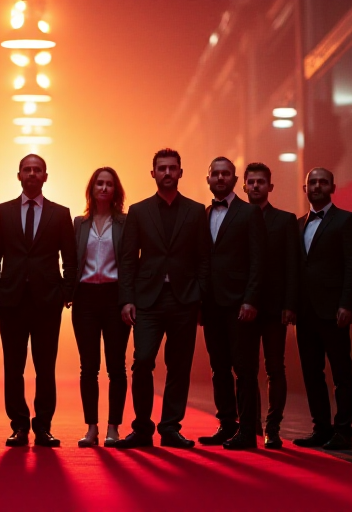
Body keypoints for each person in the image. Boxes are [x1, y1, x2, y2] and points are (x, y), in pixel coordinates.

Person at [116, 148, 210, 449]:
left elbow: (203, 258)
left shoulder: (196, 211)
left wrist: (200, 298)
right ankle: (142, 428)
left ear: (180, 172)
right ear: (153, 173)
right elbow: (128, 259)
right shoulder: (139, 211)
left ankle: (170, 428)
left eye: (172, 168)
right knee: (142, 362)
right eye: (162, 168)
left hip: (184, 299)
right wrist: (126, 299)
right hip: (147, 300)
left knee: (179, 366)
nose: (167, 173)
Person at [0, 153, 77, 447]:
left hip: (47, 303)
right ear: (19, 176)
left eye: (38, 170)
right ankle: (19, 426)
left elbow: (71, 260)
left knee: (45, 369)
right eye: (27, 169)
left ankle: (43, 427)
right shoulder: (3, 212)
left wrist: (65, 293)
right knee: (13, 368)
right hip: (11, 301)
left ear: (46, 177)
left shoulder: (60, 213)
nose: (32, 174)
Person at [198, 157, 265, 451]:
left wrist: (251, 299)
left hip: (240, 303)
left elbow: (258, 261)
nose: (221, 178)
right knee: (218, 367)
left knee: (245, 369)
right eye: (216, 174)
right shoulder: (202, 214)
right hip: (211, 304)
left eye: (226, 174)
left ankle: (248, 431)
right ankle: (226, 425)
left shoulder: (249, 213)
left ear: (235, 181)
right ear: (208, 179)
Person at [292, 167, 352, 451]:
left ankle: (344, 431)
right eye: (312, 182)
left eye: (323, 182)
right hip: (305, 311)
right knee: (311, 372)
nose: (317, 186)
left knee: (341, 372)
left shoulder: (346, 220)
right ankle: (321, 428)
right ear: (304, 188)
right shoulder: (297, 224)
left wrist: (347, 304)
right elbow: (295, 269)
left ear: (333, 186)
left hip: (334, 310)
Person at [72, 167, 130, 448]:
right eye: (99, 183)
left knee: (116, 367)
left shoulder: (125, 223)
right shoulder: (79, 223)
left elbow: (130, 262)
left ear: (115, 190)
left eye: (109, 184)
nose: (104, 188)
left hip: (114, 296)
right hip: (84, 298)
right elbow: (71, 260)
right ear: (92, 188)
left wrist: (129, 298)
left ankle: (113, 428)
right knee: (88, 368)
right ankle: (92, 427)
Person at [242, 163, 298, 449]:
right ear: (244, 186)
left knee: (275, 368)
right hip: (244, 307)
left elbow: (292, 265)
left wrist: (290, 304)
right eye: (250, 182)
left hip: (276, 306)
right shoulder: (236, 218)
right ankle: (249, 423)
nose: (255, 186)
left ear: (270, 187)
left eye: (260, 182)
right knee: (246, 369)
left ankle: (272, 427)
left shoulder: (286, 220)